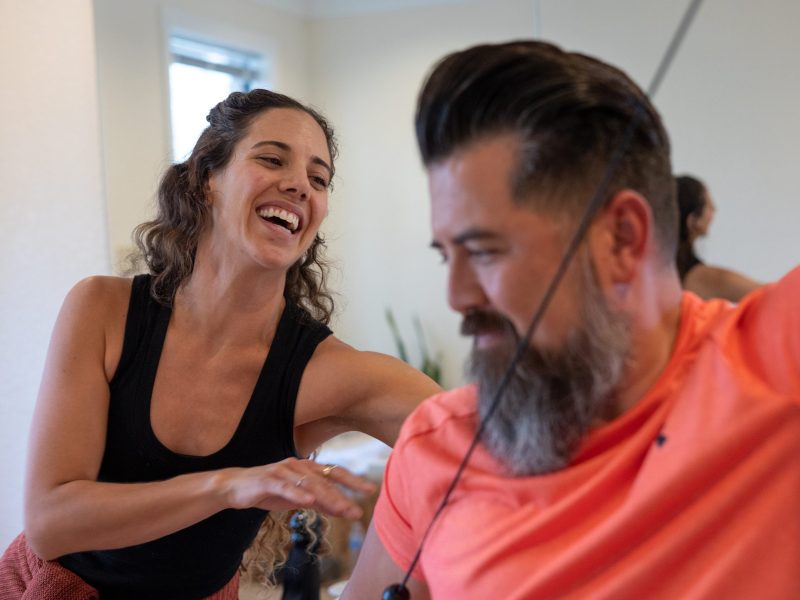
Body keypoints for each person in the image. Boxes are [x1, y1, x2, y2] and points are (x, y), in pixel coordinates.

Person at [342, 41, 800, 599]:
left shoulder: (777, 361)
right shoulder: (437, 444)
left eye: (484, 251)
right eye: (446, 255)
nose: (456, 296)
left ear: (621, 239)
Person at [0, 89, 441, 599]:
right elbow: (52, 522)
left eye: (319, 179)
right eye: (272, 158)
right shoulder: (102, 310)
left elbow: (480, 452)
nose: (300, 184)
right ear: (207, 179)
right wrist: (228, 485)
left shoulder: (331, 373)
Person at [675, 173, 762, 302]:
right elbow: (776, 295)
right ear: (692, 221)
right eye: (709, 205)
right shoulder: (702, 278)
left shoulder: (651, 274)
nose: (714, 210)